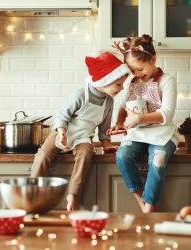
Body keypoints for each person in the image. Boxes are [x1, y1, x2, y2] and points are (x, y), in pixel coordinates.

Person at [30, 52, 131, 211]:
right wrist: (62, 133)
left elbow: (104, 126)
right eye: (118, 84)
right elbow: (63, 115)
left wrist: (105, 145)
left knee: (86, 153)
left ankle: (72, 195)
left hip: (82, 137)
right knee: (43, 156)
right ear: (106, 81)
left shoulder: (109, 101)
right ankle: (33, 192)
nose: (122, 88)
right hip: (62, 132)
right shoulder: (80, 95)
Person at [108, 34, 178, 213]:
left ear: (153, 59)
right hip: (138, 134)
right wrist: (118, 122)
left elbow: (166, 114)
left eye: (139, 69)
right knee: (122, 156)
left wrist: (139, 118)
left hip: (162, 133)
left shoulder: (167, 81)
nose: (136, 74)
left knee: (159, 160)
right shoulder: (132, 81)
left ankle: (149, 208)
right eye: (132, 71)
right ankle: (142, 202)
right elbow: (123, 105)